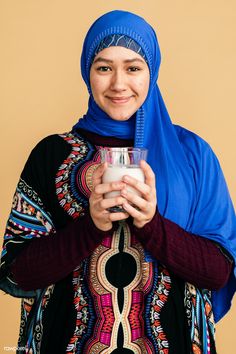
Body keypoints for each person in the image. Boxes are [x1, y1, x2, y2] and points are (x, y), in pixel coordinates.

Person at [0, 10, 235, 354]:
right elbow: (17, 272)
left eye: (133, 68)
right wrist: (90, 227)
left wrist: (151, 224)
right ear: (87, 72)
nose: (119, 84)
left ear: (151, 72)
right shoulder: (51, 155)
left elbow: (217, 271)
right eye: (104, 67)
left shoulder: (192, 155)